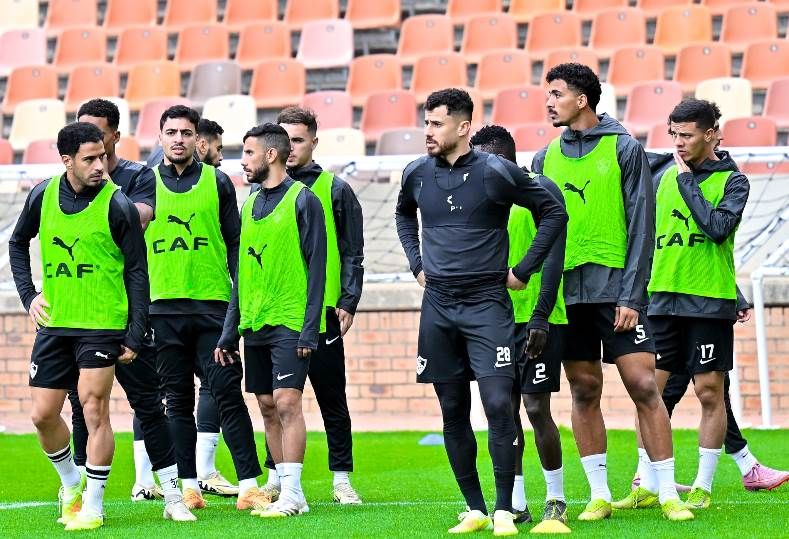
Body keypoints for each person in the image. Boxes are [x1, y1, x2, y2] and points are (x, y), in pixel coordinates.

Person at [396, 88, 567, 536]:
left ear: (463, 126)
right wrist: (417, 265)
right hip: (438, 307)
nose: (428, 131)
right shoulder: (416, 173)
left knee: (497, 405)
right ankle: (475, 508)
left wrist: (523, 270)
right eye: (426, 122)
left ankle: (506, 509)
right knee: (452, 408)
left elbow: (553, 211)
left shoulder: (495, 172)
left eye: (436, 124)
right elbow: (403, 216)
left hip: (487, 305)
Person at [531, 63, 692, 521]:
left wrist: (632, 296)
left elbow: (642, 223)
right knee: (583, 389)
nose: (549, 102)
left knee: (644, 385)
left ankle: (666, 493)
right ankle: (599, 494)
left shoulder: (624, 148)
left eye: (556, 94)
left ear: (581, 100)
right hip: (566, 295)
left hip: (617, 291)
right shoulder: (543, 158)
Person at [8, 122, 173, 529]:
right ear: (67, 161)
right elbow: (17, 242)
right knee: (42, 415)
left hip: (102, 324)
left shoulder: (118, 204)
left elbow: (137, 270)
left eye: (103, 156)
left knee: (93, 407)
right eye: (90, 159)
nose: (101, 165)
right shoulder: (42, 195)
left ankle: (94, 507)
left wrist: (135, 330)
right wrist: (29, 295)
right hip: (56, 324)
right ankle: (72, 483)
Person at [614, 99, 749, 511]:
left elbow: (716, 229)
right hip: (660, 300)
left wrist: (688, 181)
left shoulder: (734, 182)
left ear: (711, 134)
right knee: (648, 391)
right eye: (673, 134)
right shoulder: (661, 175)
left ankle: (703, 486)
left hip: (707, 302)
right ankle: (646, 482)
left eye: (686, 135)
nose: (678, 142)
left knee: (709, 391)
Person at [68, 99, 197, 512]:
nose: (89, 138)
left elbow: (137, 217)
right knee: (81, 405)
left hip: (127, 308)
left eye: (97, 132)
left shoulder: (137, 176)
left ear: (115, 136)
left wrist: (102, 188)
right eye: (82, 130)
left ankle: (172, 494)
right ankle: (80, 493)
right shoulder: (64, 184)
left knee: (148, 402)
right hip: (80, 311)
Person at [145, 105, 267, 512]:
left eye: (186, 133)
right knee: (177, 402)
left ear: (198, 139)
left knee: (228, 394)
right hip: (162, 311)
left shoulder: (218, 182)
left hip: (213, 310)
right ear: (160, 137)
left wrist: (237, 306)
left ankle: (249, 485)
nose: (178, 139)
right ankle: (188, 486)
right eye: (171, 132)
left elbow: (235, 246)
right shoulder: (144, 183)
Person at [253, 107, 365, 505]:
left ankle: (341, 479)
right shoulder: (259, 194)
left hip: (323, 314)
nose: (291, 147)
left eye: (298, 140)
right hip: (276, 316)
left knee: (332, 397)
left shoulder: (335, 189)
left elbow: (352, 251)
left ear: (314, 142)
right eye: (285, 139)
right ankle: (276, 478)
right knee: (273, 400)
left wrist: (348, 299)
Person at [216, 123, 327, 518]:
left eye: (248, 153)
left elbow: (318, 269)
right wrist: (229, 331)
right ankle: (282, 487)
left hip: (291, 320)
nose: (242, 161)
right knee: (265, 404)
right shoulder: (249, 205)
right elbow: (242, 275)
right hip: (255, 322)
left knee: (286, 401)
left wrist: (310, 328)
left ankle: (294, 494)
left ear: (271, 155)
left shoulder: (303, 200)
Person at [470, 125, 570, 532]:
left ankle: (556, 499)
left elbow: (554, 258)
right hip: (495, 321)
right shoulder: (482, 199)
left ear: (500, 159)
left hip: (538, 318)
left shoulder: (540, 190)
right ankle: (515, 504)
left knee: (535, 408)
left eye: (481, 160)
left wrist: (541, 316)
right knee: (503, 412)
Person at [146, 117, 224, 168]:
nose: (221, 157)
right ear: (202, 146)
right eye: (218, 149)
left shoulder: (160, 148)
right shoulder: (185, 171)